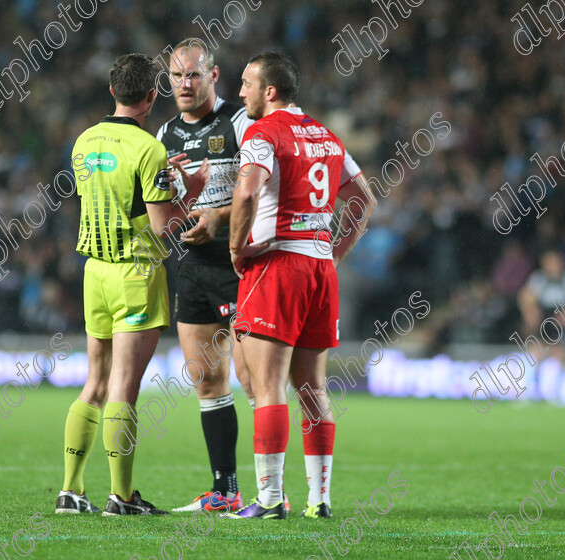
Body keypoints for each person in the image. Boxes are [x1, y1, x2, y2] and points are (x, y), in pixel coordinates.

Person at [225, 53, 376, 519]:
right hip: (319, 270)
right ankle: (320, 500)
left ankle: (269, 500)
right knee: (313, 388)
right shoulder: (326, 136)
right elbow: (364, 200)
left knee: (265, 386)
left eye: (248, 83)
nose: (240, 92)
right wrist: (335, 252)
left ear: (270, 91)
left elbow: (248, 192)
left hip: (277, 264)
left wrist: (235, 248)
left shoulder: (262, 133)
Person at [56, 53, 206, 516]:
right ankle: (121, 498)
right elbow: (162, 226)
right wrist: (193, 191)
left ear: (111, 91)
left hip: (94, 273)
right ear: (151, 96)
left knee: (94, 383)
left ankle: (71, 491)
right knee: (123, 388)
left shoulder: (83, 142)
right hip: (135, 273)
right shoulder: (149, 149)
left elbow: (104, 201)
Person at [155, 38, 257, 514]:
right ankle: (225, 491)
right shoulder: (163, 136)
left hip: (241, 263)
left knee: (253, 378)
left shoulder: (239, 121)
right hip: (194, 267)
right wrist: (175, 205)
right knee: (206, 380)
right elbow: (161, 212)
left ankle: (271, 494)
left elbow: (261, 183)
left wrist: (216, 213)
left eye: (193, 75)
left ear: (214, 76)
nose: (184, 84)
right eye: (176, 76)